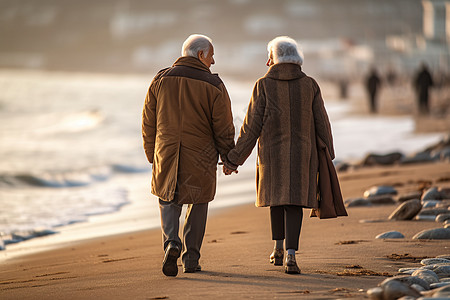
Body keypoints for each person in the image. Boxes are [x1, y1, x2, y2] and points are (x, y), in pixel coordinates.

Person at [223, 36, 335, 274]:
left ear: (274, 58)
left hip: (272, 155)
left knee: (276, 198)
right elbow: (322, 123)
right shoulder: (310, 85)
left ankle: (278, 249)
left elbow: (250, 126)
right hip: (303, 154)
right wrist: (328, 153)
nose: (267, 62)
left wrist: (234, 158)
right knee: (293, 202)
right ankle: (291, 255)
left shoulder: (263, 85)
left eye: (269, 56)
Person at [142, 34, 235, 277]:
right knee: (198, 201)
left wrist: (151, 153)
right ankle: (191, 259)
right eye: (212, 55)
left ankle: (171, 242)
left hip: (166, 151)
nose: (213, 62)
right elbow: (223, 127)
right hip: (201, 155)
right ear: (201, 55)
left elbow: (148, 120)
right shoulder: (214, 86)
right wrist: (228, 156)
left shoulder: (160, 79)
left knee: (167, 199)